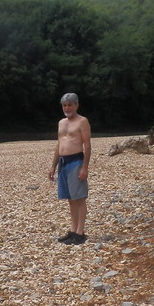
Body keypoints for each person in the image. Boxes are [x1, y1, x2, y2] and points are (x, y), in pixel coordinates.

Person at [48, 92, 91, 245]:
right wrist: (53, 165)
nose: (67, 108)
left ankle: (80, 232)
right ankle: (73, 231)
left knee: (79, 197)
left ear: (76, 105)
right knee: (70, 199)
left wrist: (84, 167)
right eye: (65, 105)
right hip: (63, 163)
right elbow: (59, 145)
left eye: (70, 105)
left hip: (76, 161)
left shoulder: (82, 121)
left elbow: (87, 145)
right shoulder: (61, 123)